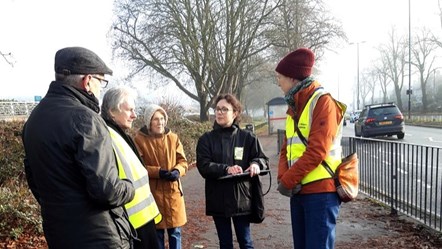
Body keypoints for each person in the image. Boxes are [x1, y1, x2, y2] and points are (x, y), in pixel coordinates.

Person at [22, 47, 135, 249]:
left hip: (58, 234)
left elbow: (34, 178)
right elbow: (106, 191)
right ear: (87, 81)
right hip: (98, 236)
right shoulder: (86, 119)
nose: (101, 87)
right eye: (101, 81)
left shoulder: (34, 120)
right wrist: (128, 187)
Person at [275, 47, 346, 249]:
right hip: (299, 191)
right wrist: (283, 178)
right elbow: (286, 148)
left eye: (280, 77)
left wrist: (288, 180)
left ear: (292, 78)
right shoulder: (294, 105)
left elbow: (317, 151)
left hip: (321, 192)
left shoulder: (322, 102)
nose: (279, 83)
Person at [196, 93, 269, 249]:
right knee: (225, 243)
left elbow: (262, 159)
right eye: (217, 109)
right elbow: (204, 166)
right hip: (218, 198)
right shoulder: (206, 139)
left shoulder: (247, 138)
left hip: (241, 198)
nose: (219, 112)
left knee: (246, 242)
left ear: (235, 113)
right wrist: (226, 169)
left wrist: (256, 164)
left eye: (224, 109)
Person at [101, 87, 162, 249]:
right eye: (129, 110)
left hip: (139, 221)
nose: (134, 115)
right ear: (112, 111)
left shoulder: (119, 135)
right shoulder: (107, 137)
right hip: (131, 224)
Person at [133, 104, 188, 249]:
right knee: (157, 235)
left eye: (162, 118)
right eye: (156, 119)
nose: (160, 122)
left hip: (173, 192)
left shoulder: (173, 138)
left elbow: (183, 161)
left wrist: (177, 171)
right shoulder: (139, 140)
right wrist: (158, 172)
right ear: (149, 121)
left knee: (175, 232)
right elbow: (138, 167)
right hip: (153, 193)